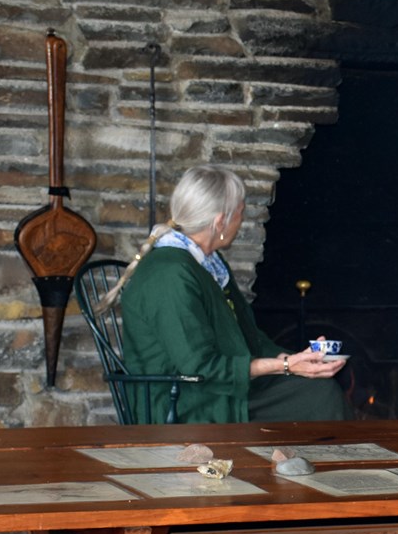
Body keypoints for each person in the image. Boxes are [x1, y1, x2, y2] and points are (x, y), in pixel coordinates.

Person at [110, 165, 348, 424]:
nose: (241, 221)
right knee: (321, 398)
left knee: (320, 391)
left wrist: (293, 360)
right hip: (186, 399)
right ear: (220, 221)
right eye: (240, 213)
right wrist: (286, 367)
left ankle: (296, 464)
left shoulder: (207, 263)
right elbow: (199, 367)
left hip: (218, 388)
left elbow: (247, 335)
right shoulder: (169, 274)